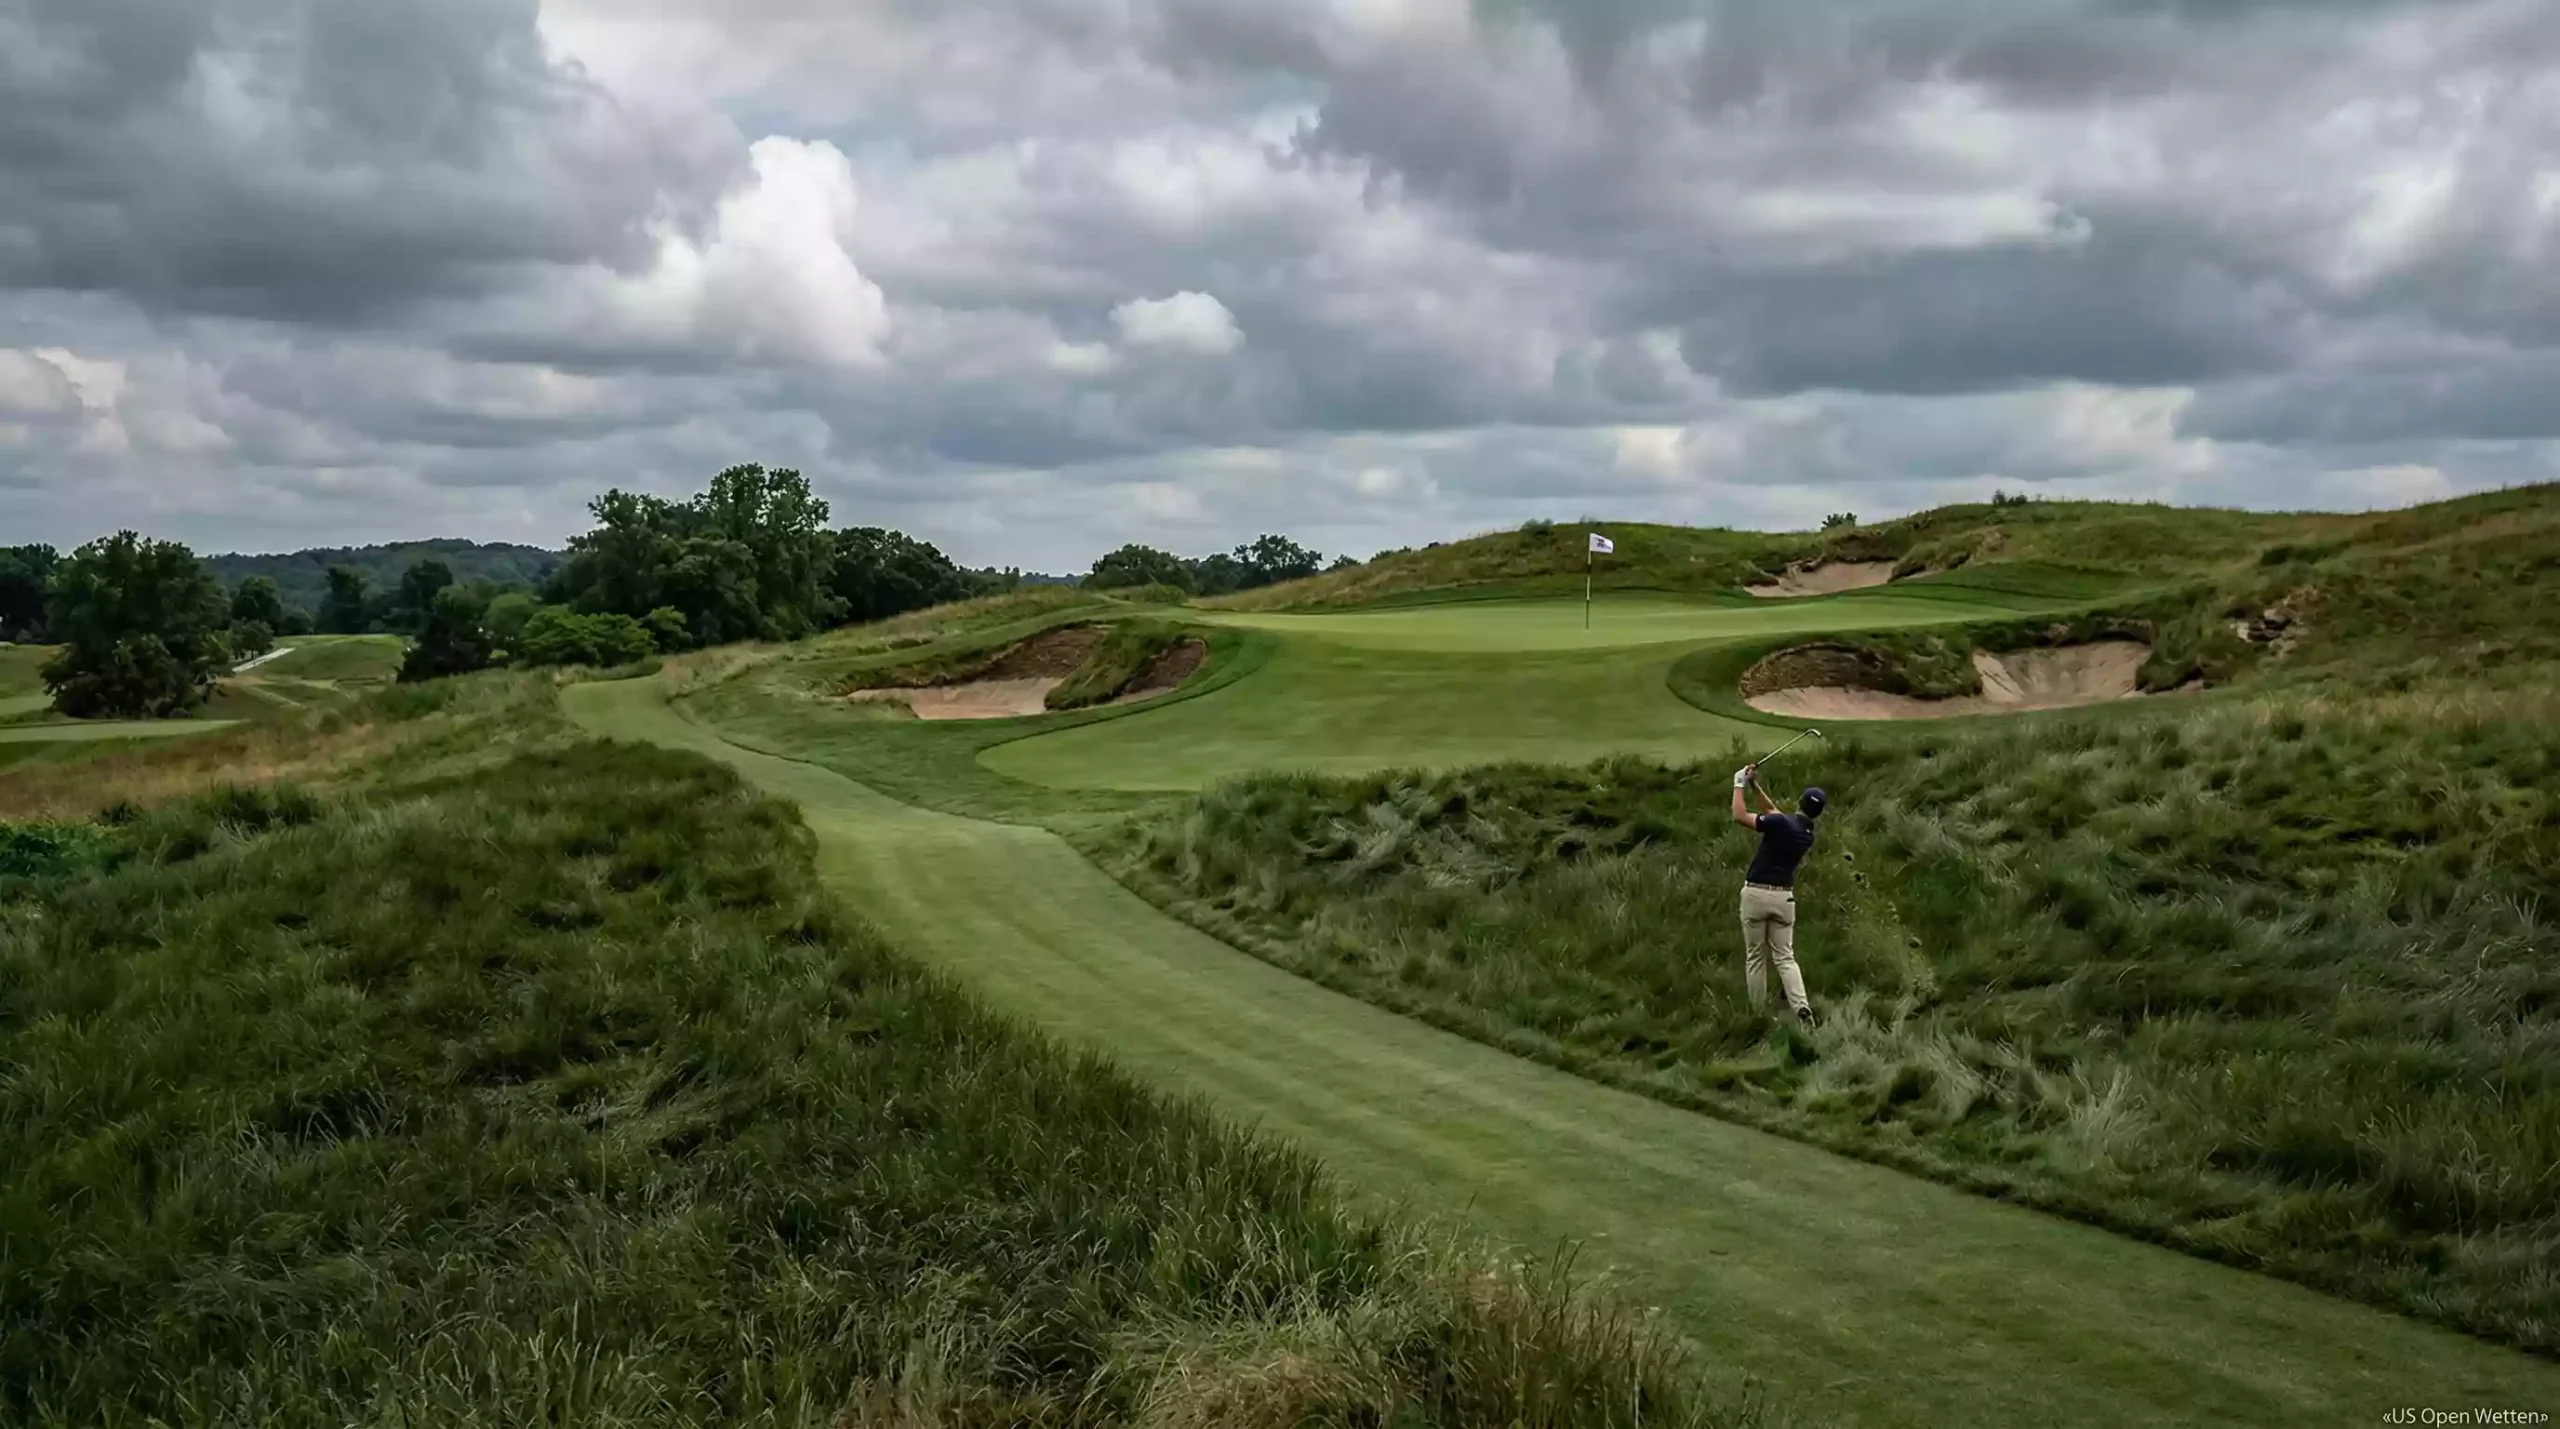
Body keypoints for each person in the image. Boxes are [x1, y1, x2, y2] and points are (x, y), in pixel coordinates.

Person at [1730, 763, 1827, 1028]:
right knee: (1785, 957)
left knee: (1756, 956)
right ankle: (1802, 1008)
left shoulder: (1781, 823)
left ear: (1799, 802)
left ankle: (1759, 1015)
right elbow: (1771, 812)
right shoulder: (1805, 834)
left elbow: (1739, 816)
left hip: (1755, 896)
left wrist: (1738, 782)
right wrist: (1754, 785)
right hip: (1784, 899)